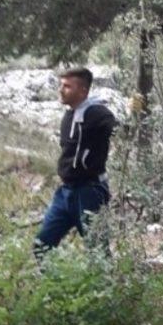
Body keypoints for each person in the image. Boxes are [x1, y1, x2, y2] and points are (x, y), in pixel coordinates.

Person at [34, 68, 116, 257]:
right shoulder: (69, 115)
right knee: (42, 245)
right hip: (65, 193)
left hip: (90, 192)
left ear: (83, 91)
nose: (61, 90)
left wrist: (135, 115)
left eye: (67, 86)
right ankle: (55, 286)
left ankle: (103, 286)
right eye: (61, 85)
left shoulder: (97, 113)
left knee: (98, 253)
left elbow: (120, 129)